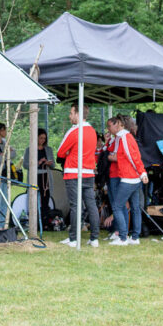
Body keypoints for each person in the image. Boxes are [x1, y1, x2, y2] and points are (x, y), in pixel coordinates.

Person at [57, 104, 100, 248]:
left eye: (71, 113)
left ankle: (73, 239)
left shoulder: (74, 130)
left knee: (75, 206)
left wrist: (70, 153)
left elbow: (60, 152)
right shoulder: (92, 131)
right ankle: (94, 238)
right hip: (89, 172)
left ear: (77, 113)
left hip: (74, 172)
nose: (70, 116)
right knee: (91, 205)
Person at [107, 115, 148, 246]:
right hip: (134, 179)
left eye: (115, 123)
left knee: (117, 206)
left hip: (128, 178)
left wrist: (142, 173)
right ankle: (135, 237)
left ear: (119, 124)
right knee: (135, 207)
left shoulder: (124, 137)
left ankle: (123, 237)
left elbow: (132, 156)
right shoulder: (124, 137)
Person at [23, 128, 54, 212]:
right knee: (33, 199)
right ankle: (34, 219)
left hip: (46, 178)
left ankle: (44, 221)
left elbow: (53, 165)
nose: (43, 140)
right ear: (36, 137)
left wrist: (48, 163)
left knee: (45, 199)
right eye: (41, 138)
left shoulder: (48, 149)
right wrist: (38, 162)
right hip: (35, 177)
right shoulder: (29, 150)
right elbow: (25, 165)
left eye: (44, 138)